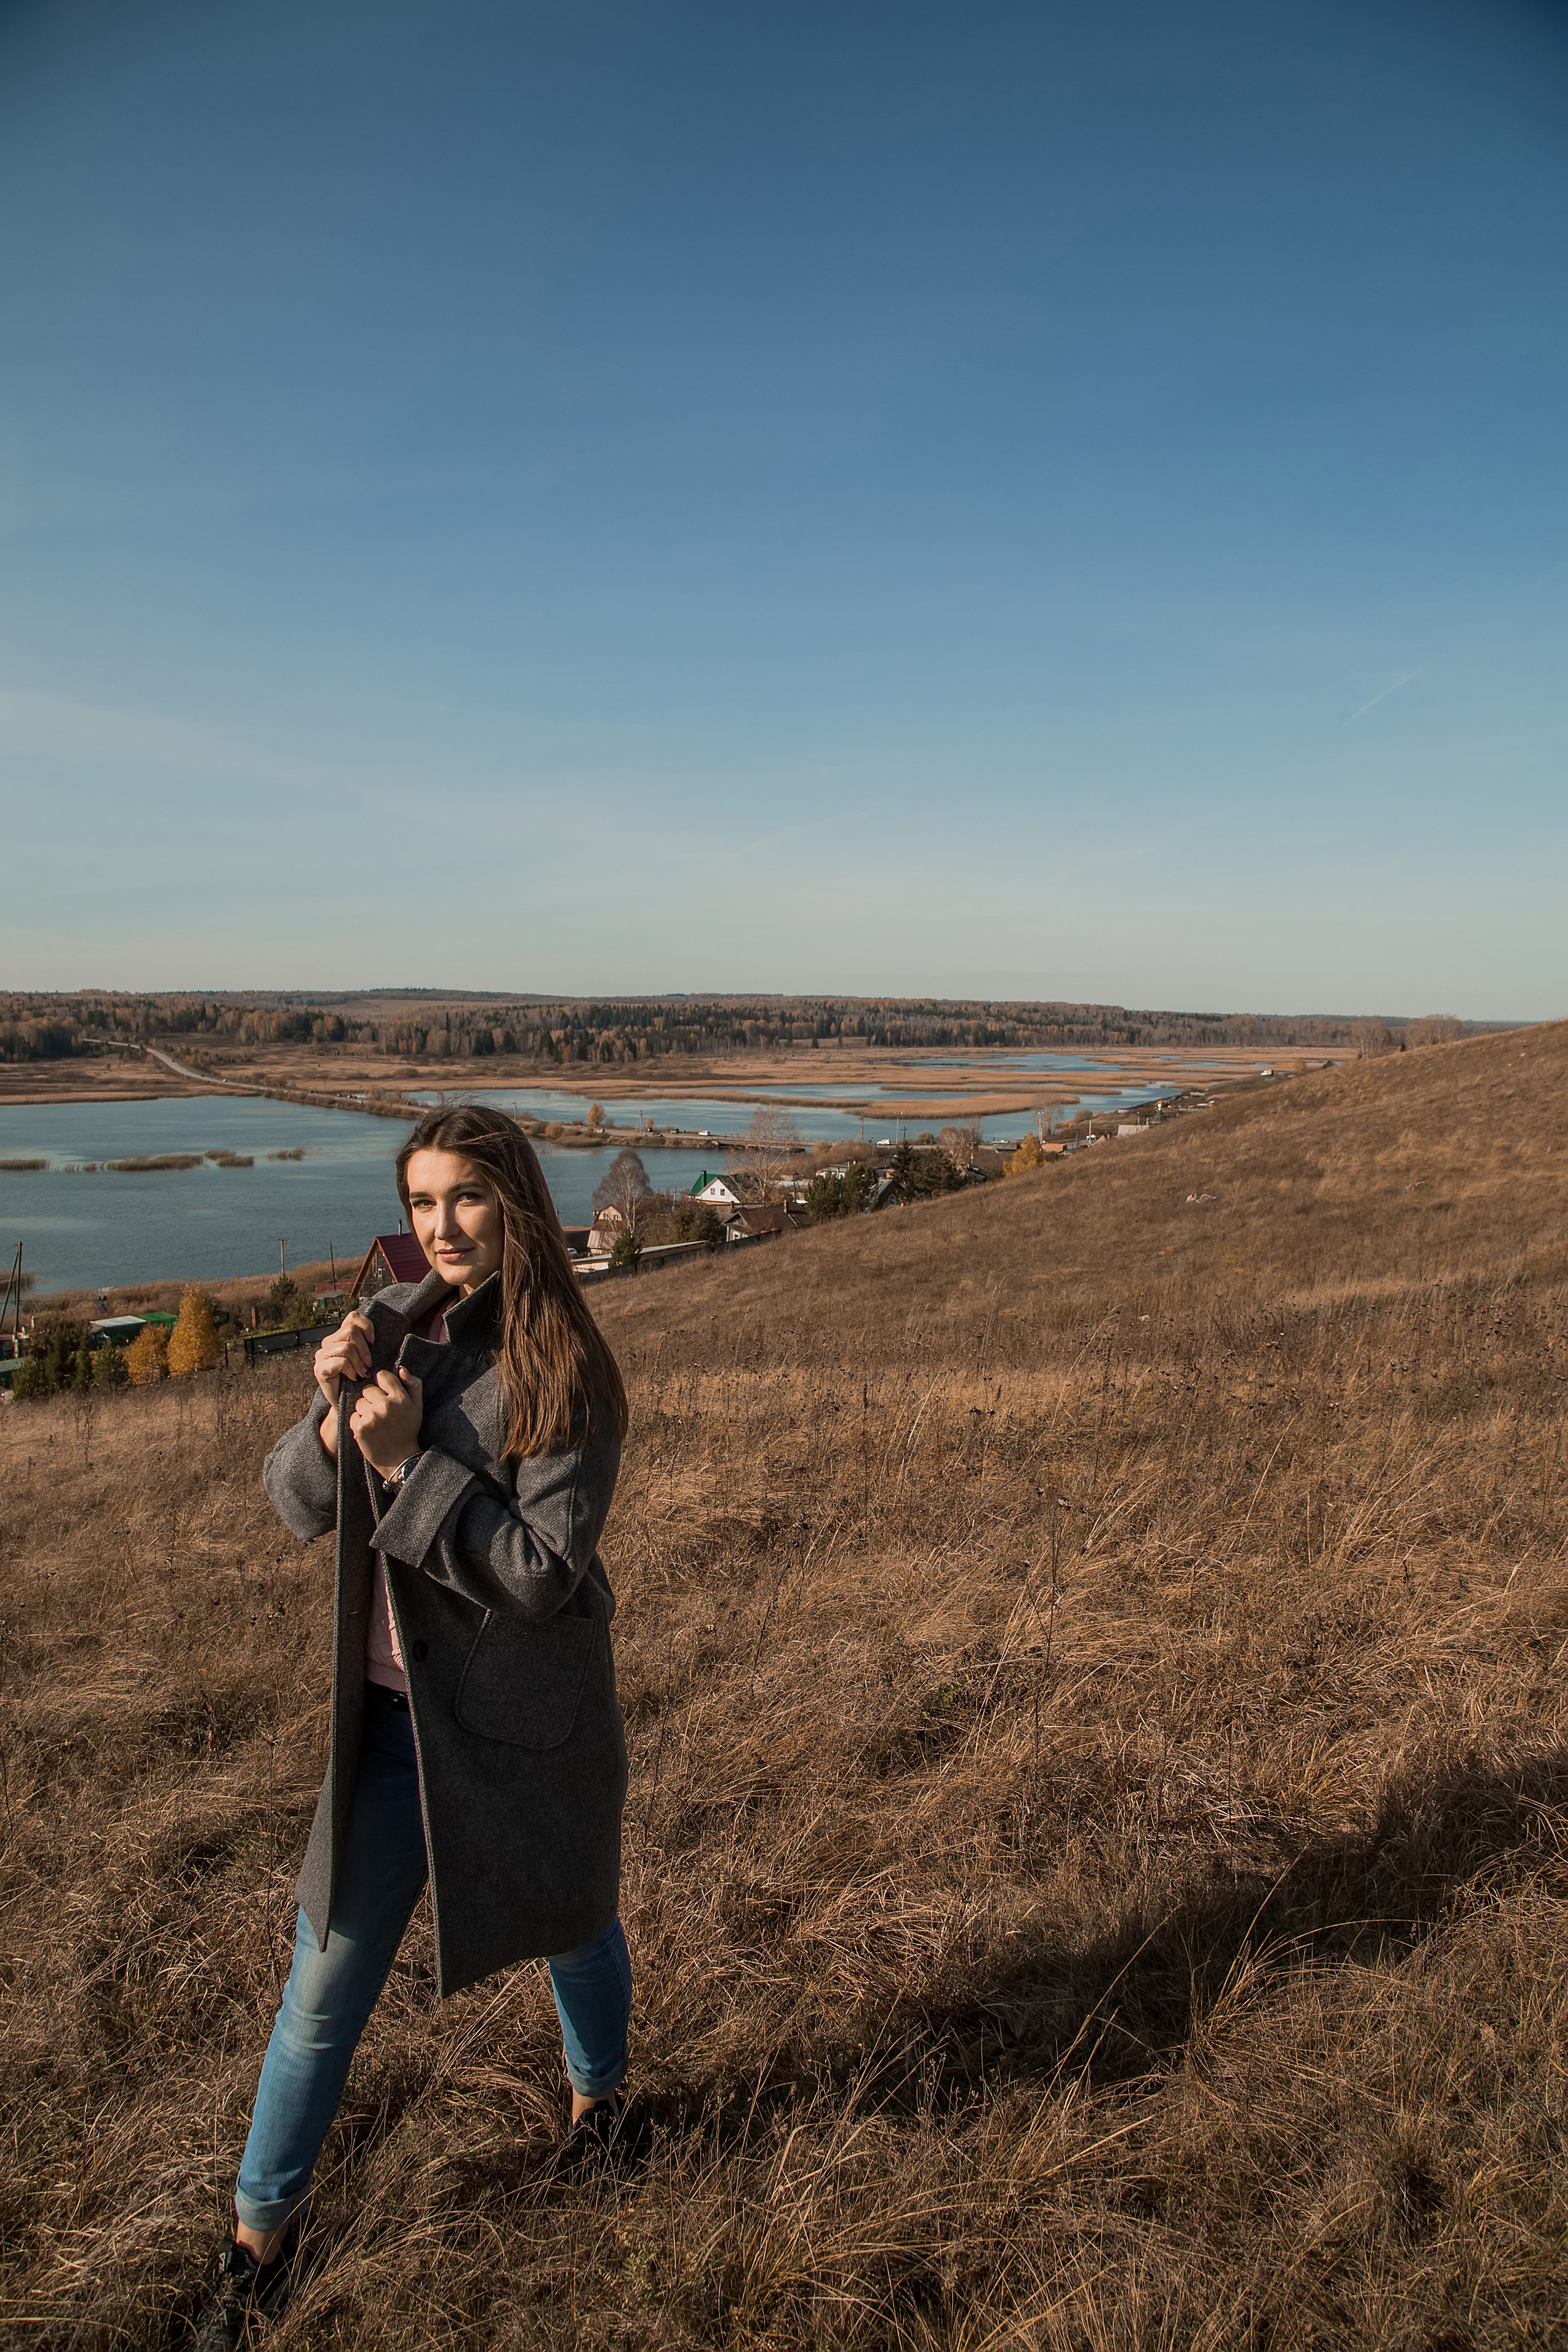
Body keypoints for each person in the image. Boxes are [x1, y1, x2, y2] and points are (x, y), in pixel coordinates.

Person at [190, 1106, 632, 2348]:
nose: (441, 1227)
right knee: (320, 1992)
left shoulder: (565, 1367)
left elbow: (543, 1572)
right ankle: (254, 2248)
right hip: (386, 1732)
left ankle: (600, 2109)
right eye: (423, 1201)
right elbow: (291, 1503)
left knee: (574, 1926)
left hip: (525, 1720)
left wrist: (408, 1464)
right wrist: (337, 1417)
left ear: (516, 1203)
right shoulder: (388, 1325)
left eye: (468, 1199)